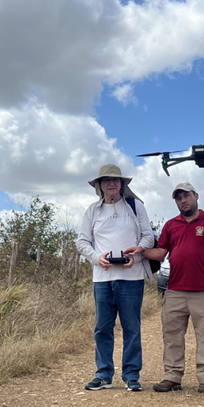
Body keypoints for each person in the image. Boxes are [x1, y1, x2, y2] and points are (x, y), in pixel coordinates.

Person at [127, 183, 204, 397]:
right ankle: (172, 377)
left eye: (186, 196)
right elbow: (160, 253)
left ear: (196, 196)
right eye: (179, 198)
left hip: (203, 291)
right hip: (174, 291)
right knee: (172, 337)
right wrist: (142, 250)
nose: (183, 200)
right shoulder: (171, 225)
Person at [76, 164, 154, 392]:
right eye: (106, 180)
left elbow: (148, 237)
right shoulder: (93, 210)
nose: (111, 184)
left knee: (132, 328)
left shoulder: (135, 206)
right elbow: (82, 241)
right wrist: (96, 258)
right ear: (99, 185)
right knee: (102, 328)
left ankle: (131, 375)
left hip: (131, 278)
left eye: (115, 180)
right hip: (102, 279)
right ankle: (103, 375)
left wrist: (136, 256)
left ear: (122, 184)